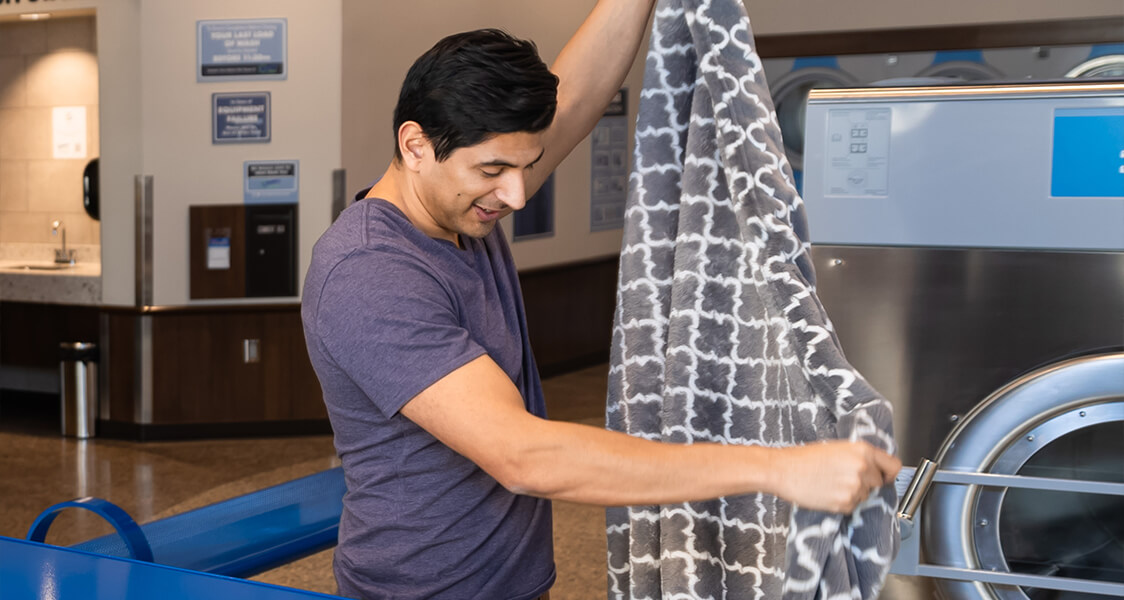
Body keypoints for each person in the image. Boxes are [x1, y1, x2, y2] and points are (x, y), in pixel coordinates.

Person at [301, 2, 901, 599]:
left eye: (526, 166)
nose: (515, 193)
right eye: (493, 170)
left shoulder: (459, 204)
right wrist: (780, 470)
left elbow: (579, 95)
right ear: (415, 145)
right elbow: (524, 455)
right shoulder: (369, 273)